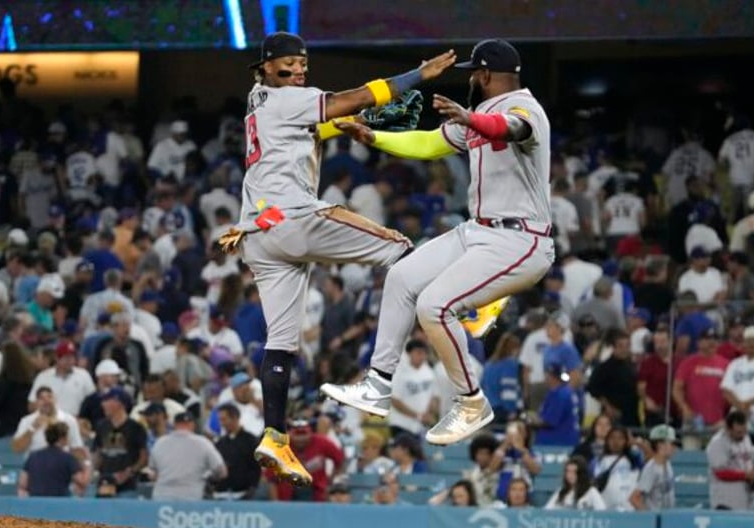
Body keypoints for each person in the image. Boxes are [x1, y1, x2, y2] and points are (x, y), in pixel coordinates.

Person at [217, 31, 455, 486]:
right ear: (265, 68)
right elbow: (359, 95)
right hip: (292, 219)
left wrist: (341, 123)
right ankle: (468, 301)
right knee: (400, 248)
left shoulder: (261, 99)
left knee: (282, 342)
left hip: (257, 236)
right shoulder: (288, 98)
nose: (297, 69)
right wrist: (418, 76)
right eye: (287, 64)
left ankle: (274, 436)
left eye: (302, 62)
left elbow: (315, 122)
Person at [323, 38, 556, 448]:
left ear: (485, 75)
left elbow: (513, 128)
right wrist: (374, 138)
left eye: (474, 72)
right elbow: (429, 142)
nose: (472, 78)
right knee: (401, 276)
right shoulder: (480, 112)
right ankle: (378, 383)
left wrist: (470, 119)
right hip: (481, 230)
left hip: (522, 240)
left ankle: (470, 402)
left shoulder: (525, 107)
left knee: (435, 306)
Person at [149, 412, 227, 501]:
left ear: (174, 425)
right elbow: (222, 472)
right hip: (191, 498)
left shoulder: (160, 443)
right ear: (192, 425)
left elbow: (152, 473)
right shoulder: (203, 443)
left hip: (162, 497)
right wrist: (209, 477)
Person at [92, 387, 147, 498]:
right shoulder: (102, 426)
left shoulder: (135, 428)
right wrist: (92, 469)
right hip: (104, 484)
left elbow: (144, 457)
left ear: (118, 403)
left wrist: (129, 472)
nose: (103, 404)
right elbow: (98, 452)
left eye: (106, 401)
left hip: (128, 485)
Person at [706, 411, 754, 510]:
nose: (742, 435)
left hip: (748, 498)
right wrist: (746, 475)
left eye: (744, 431)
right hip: (726, 501)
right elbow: (720, 473)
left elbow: (750, 461)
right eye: (738, 432)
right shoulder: (717, 443)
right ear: (728, 429)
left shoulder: (745, 438)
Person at [12, 387, 85, 460]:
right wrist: (32, 428)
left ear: (55, 399)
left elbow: (77, 449)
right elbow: (17, 449)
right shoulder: (27, 421)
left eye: (49, 396)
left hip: (61, 466)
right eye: (41, 398)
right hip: (35, 467)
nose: (46, 401)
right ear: (37, 402)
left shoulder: (69, 420)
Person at [18, 422, 88, 497]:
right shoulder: (68, 458)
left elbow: (23, 483)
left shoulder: (33, 457)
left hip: (36, 503)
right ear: (62, 438)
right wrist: (87, 462)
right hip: (59, 504)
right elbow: (82, 481)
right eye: (67, 436)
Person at [387, 339, 436, 438]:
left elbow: (432, 397)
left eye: (424, 353)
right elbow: (395, 400)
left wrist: (429, 414)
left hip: (420, 426)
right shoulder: (399, 373)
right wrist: (417, 416)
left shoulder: (429, 373)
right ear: (409, 353)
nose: (422, 356)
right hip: (401, 424)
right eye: (418, 353)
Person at [212, 403, 261, 500]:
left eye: (224, 419)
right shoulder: (220, 443)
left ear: (235, 418)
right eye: (220, 420)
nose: (222, 423)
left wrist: (252, 488)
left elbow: (256, 467)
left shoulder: (251, 441)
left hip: (244, 494)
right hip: (221, 494)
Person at [594, 426, 643, 510]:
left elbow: (649, 460)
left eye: (620, 438)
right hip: (607, 506)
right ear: (607, 441)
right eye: (612, 438)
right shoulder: (599, 460)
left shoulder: (633, 460)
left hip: (628, 508)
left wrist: (634, 443)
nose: (616, 442)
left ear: (626, 441)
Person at [530, 363, 580, 447]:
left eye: (547, 374)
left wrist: (530, 420)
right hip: (563, 441)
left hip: (556, 444)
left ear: (551, 377)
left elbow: (549, 421)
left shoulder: (560, 395)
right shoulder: (563, 392)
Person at [630, 425, 677, 511]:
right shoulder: (651, 469)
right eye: (672, 443)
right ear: (660, 445)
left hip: (667, 517)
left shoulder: (667, 464)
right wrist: (649, 518)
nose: (674, 448)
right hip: (656, 518)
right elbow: (634, 498)